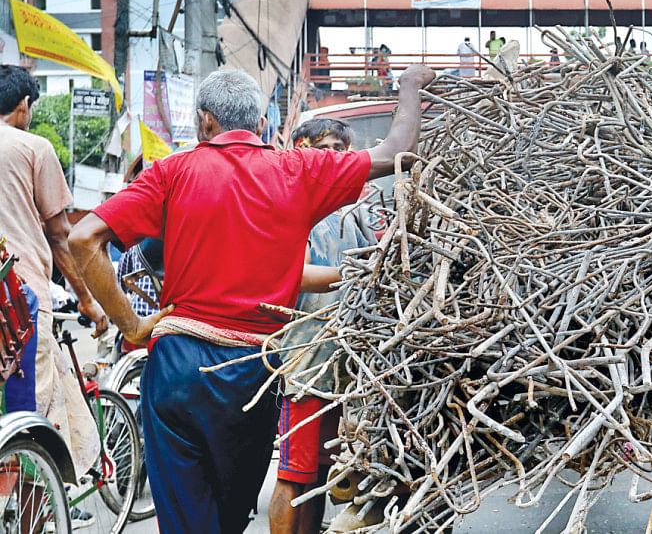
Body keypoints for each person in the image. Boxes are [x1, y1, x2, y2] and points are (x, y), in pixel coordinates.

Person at [70, 64, 437, 533]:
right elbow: (396, 151)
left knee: (186, 521)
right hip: (251, 374)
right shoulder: (299, 169)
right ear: (262, 124)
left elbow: (83, 238)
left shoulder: (171, 171)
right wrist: (408, 86)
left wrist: (133, 325)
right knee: (229, 519)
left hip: (177, 365)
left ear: (205, 122)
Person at [269, 118, 376, 534]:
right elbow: (291, 275)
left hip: (345, 363)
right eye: (325, 148)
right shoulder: (291, 204)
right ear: (300, 148)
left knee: (319, 476)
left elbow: (373, 262)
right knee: (293, 475)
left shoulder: (352, 210)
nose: (333, 158)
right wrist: (351, 273)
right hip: (305, 360)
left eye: (340, 151)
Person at [0, 64, 107, 469]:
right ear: (24, 104)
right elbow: (60, 235)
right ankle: (33, 501)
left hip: (15, 293)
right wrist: (87, 300)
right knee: (32, 416)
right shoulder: (34, 148)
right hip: (20, 299)